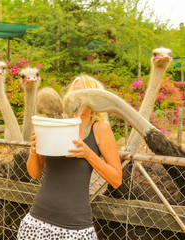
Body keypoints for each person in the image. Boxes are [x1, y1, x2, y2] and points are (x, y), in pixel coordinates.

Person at [17, 75, 122, 240]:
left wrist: (88, 154)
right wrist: (33, 150)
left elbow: (116, 179)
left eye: (84, 92)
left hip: (76, 227)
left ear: (95, 99)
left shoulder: (100, 129)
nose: (78, 97)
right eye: (75, 92)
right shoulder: (56, 124)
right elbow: (34, 173)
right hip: (38, 220)